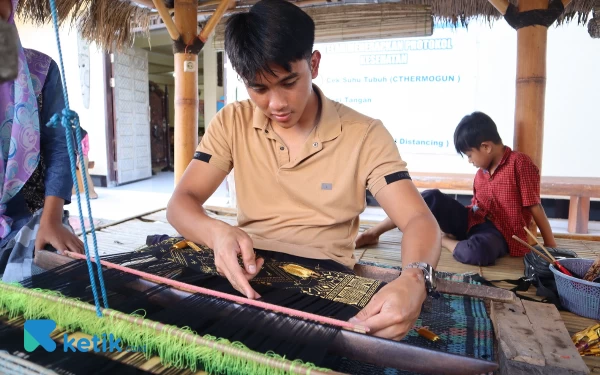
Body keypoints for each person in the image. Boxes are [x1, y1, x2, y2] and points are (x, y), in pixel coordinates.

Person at [167, 0, 441, 341]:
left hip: (323, 279)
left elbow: (418, 219)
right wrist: (216, 234)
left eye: (288, 82)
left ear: (314, 63)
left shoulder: (364, 134)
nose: (277, 103)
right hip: (247, 265)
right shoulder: (232, 122)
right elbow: (182, 201)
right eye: (259, 89)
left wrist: (414, 279)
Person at [356, 111, 557, 266]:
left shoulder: (519, 163)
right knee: (430, 197)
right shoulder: (482, 172)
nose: (469, 161)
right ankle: (374, 233)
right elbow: (475, 206)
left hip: (500, 233)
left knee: (476, 252)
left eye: (469, 155)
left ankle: (442, 239)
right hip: (472, 220)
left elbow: (534, 206)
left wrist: (551, 247)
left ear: (486, 147)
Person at [0, 0, 84, 283]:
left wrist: (51, 219)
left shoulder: (41, 71)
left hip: (28, 217)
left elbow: (61, 145)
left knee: (54, 282)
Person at [75, 128, 98, 199]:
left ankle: (91, 192)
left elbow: (86, 148)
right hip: (72, 156)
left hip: (82, 155)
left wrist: (79, 156)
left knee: (83, 168)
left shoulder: (83, 133)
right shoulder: (67, 131)